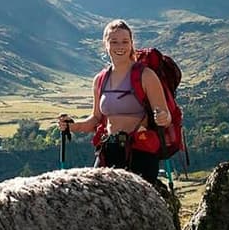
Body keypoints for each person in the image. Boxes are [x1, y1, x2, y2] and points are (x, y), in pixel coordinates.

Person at [58, 19, 171, 183]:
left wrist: (162, 117)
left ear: (132, 44)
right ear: (106, 44)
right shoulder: (100, 80)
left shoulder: (146, 76)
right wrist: (70, 126)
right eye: (114, 41)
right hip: (109, 150)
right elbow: (95, 119)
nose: (120, 46)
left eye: (125, 41)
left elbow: (165, 117)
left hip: (141, 152)